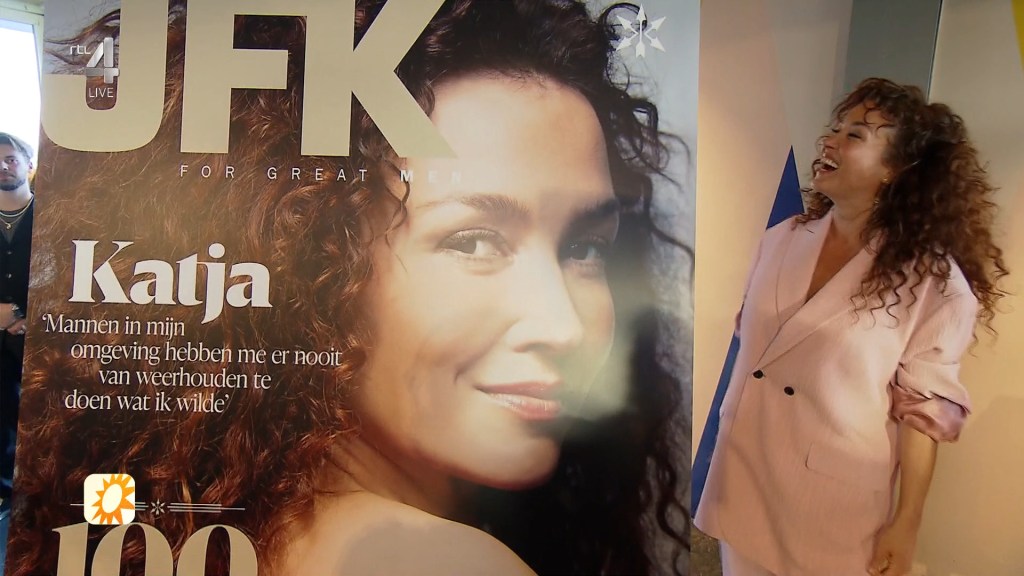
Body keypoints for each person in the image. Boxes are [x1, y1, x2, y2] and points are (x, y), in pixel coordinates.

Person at [7, 1, 691, 575]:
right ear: (310, 269)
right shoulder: (446, 565)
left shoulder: (230, 526)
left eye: (584, 249)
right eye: (473, 241)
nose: (565, 326)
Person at [695, 77, 1008, 576]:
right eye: (834, 129)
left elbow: (923, 413)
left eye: (855, 135)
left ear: (894, 169)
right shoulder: (782, 238)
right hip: (744, 478)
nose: (830, 141)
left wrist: (907, 521)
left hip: (829, 507)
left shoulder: (931, 279)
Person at [0, 132, 34, 572]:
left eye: (10, 158)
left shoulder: (53, 214)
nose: (3, 166)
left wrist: (24, 314)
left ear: (28, 163)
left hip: (40, 341)